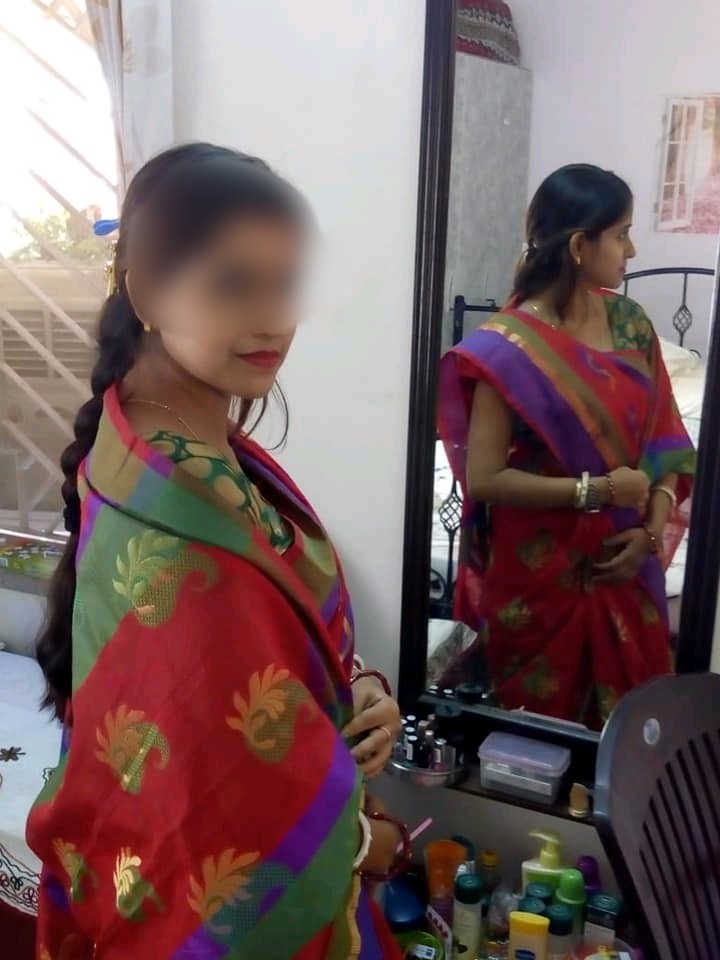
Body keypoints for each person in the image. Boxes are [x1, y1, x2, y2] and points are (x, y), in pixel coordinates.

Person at [28, 143, 405, 959]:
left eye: (285, 283)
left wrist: (357, 687)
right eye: (234, 284)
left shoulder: (182, 441)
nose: (273, 319)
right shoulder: (174, 530)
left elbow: (275, 642)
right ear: (147, 293)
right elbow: (216, 820)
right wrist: (367, 842)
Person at [438, 164, 695, 726]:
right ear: (581, 246)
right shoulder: (507, 347)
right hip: (540, 576)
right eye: (622, 234)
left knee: (635, 734)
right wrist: (598, 491)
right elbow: (485, 478)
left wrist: (650, 534)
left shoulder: (631, 325)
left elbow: (665, 442)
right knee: (538, 734)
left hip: (628, 563)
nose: (632, 249)